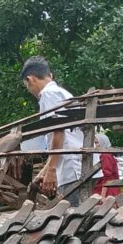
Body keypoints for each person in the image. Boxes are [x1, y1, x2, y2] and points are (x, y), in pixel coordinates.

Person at [21, 56, 99, 206]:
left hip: (73, 169)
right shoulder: (62, 93)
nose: (30, 90)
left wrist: (51, 170)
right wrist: (44, 172)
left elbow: (58, 132)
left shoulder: (48, 95)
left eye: (27, 86)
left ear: (30, 80)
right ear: (50, 76)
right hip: (80, 164)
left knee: (76, 219)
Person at [92, 133, 121, 199]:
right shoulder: (106, 154)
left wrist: (103, 195)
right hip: (109, 188)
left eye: (96, 143)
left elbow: (107, 176)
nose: (95, 145)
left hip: (108, 190)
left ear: (103, 142)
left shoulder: (105, 155)